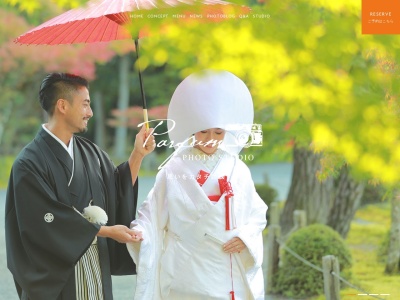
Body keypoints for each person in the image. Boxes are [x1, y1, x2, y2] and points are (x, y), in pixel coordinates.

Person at [5, 72, 155, 300]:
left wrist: (138, 154)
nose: (90, 113)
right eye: (85, 105)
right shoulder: (29, 163)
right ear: (62, 105)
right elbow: (42, 220)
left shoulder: (91, 153)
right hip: (58, 277)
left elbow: (115, 189)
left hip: (96, 265)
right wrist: (105, 232)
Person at [127, 70, 268, 300]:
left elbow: (257, 213)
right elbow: (151, 215)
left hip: (225, 268)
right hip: (185, 269)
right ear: (192, 128)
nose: (210, 138)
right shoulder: (173, 169)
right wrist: (140, 232)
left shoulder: (237, 169)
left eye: (218, 132)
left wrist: (246, 237)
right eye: (203, 131)